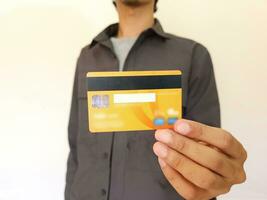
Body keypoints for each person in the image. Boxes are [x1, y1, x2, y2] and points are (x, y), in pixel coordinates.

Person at [65, 0, 247, 199]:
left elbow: (205, 159)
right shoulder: (88, 56)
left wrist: (212, 178)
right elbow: (75, 147)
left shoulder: (193, 56)